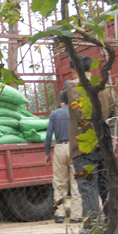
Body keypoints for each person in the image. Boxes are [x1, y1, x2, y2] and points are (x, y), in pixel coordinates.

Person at [67, 55, 118, 230]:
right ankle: (113, 227)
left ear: (73, 70)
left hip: (84, 146)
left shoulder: (75, 85)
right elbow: (115, 113)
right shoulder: (104, 85)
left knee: (87, 187)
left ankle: (92, 230)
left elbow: (81, 113)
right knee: (105, 186)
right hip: (104, 145)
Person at [45, 90, 82, 223]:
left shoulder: (54, 114)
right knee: (76, 182)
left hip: (60, 147)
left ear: (61, 101)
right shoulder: (77, 112)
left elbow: (49, 135)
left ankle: (59, 214)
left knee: (59, 183)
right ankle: (76, 215)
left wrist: (47, 153)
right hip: (75, 147)